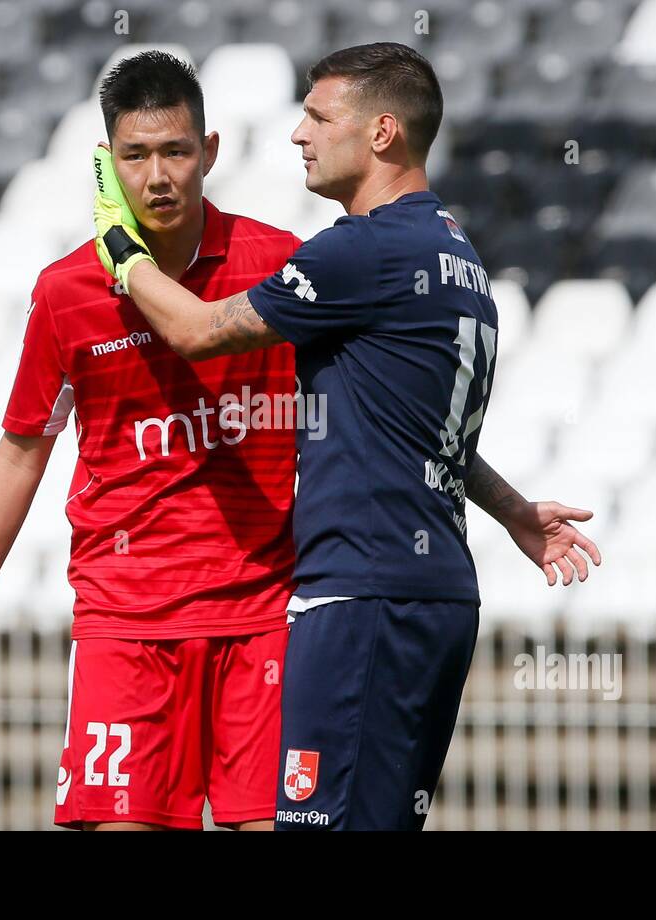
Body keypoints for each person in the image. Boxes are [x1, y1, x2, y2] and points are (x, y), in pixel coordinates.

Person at [93, 42, 602, 830]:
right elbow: (422, 428)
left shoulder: (362, 251)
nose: (300, 134)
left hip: (362, 593)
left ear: (382, 134)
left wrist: (121, 252)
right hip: (435, 591)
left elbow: (194, 332)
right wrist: (512, 510)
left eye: (320, 117)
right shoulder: (456, 255)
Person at [0, 50, 305, 831]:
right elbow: (22, 451)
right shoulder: (68, 293)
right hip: (126, 628)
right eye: (135, 155)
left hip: (262, 615)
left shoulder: (278, 266)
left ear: (211, 153)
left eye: (176, 151)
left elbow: (368, 404)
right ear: (107, 163)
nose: (158, 176)